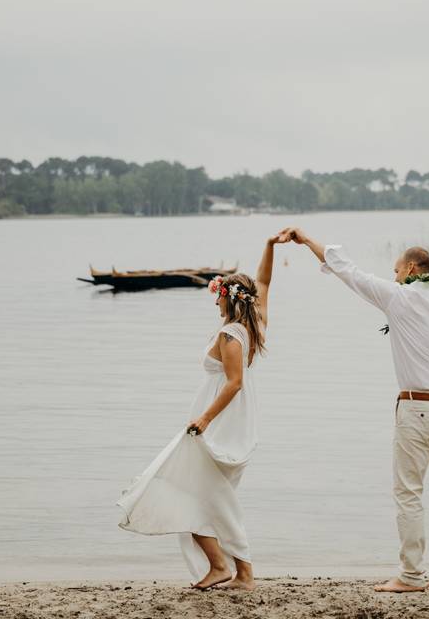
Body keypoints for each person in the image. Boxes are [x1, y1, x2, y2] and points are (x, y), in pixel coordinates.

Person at [280, 227, 429, 593]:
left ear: (411, 268)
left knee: (409, 493)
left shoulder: (398, 298)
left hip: (417, 409)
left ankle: (411, 575)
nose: (394, 276)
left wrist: (307, 240)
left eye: (396, 270)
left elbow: (348, 271)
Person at [116, 233, 287, 591]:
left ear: (227, 299)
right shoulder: (254, 326)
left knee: (192, 492)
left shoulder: (230, 336)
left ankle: (232, 569)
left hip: (217, 428)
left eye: (218, 297)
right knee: (203, 495)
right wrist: (270, 246)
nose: (214, 304)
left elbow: (234, 382)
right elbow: (266, 281)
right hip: (234, 425)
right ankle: (227, 568)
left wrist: (205, 419)